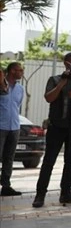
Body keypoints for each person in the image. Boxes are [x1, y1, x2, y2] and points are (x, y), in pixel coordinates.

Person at [32, 52, 71, 207]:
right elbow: (49, 98)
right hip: (56, 126)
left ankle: (66, 193)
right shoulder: (54, 80)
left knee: (70, 161)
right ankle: (40, 194)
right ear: (66, 63)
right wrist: (62, 83)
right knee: (49, 161)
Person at [0, 62, 24, 196]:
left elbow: (17, 106)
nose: (21, 72)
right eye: (19, 70)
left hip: (14, 127)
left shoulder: (20, 88)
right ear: (11, 71)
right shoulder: (1, 85)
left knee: (9, 158)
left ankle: (6, 186)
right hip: (0, 126)